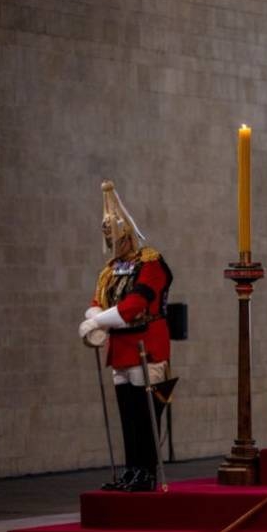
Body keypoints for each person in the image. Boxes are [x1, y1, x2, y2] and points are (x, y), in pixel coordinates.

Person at [78, 181, 173, 492]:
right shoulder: (110, 269)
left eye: (116, 238)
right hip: (120, 347)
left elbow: (135, 305)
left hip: (147, 344)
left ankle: (146, 472)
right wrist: (94, 319)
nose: (113, 244)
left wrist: (98, 323)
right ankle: (132, 469)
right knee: (128, 415)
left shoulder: (151, 262)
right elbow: (98, 301)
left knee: (146, 415)